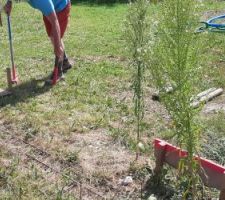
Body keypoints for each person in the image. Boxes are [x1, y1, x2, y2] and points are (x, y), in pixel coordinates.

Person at [4, 0, 72, 83]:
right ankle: (65, 61)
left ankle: (59, 71)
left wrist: (57, 46)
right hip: (49, 8)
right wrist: (9, 2)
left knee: (55, 38)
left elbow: (55, 22)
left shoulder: (41, 1)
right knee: (52, 36)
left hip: (61, 6)